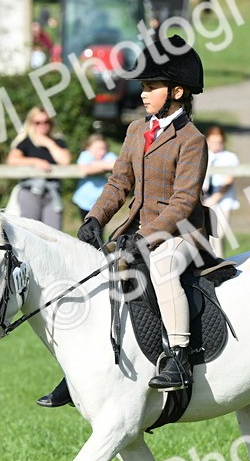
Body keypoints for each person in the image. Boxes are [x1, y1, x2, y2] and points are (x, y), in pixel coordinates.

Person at [40, 34, 210, 407]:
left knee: (163, 269)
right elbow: (119, 183)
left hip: (181, 234)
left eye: (151, 87)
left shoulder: (192, 140)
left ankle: (179, 357)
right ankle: (82, 370)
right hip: (136, 230)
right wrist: (95, 217)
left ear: (177, 91)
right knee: (96, 276)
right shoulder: (136, 131)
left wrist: (147, 237)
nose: (143, 94)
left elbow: (184, 201)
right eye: (143, 87)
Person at [7, 106, 71, 230]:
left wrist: (48, 143)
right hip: (30, 191)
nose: (42, 125)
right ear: (31, 123)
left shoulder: (58, 142)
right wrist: (35, 162)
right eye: (38, 122)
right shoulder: (26, 142)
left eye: (46, 122)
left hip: (52, 193)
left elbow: (65, 160)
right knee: (30, 230)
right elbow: (12, 160)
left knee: (54, 233)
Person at [201, 126, 240, 257]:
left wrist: (215, 198)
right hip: (205, 199)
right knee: (209, 236)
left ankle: (220, 259)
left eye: (219, 142)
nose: (216, 145)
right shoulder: (202, 156)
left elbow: (229, 180)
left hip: (223, 200)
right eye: (212, 142)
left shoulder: (230, 158)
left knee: (219, 234)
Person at [72, 133, 117, 218]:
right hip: (84, 201)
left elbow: (115, 165)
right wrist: (105, 166)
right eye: (97, 148)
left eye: (103, 148)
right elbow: (85, 170)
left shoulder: (109, 155)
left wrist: (96, 164)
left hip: (102, 202)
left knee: (100, 225)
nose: (101, 152)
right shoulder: (85, 155)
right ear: (88, 148)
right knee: (85, 224)